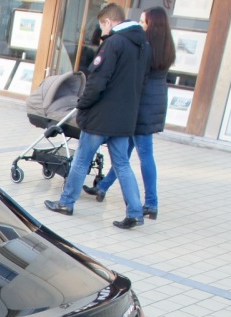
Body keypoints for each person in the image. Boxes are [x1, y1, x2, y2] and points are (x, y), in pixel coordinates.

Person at [43, 3, 149, 229]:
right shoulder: (142, 45)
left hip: (101, 116)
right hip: (125, 117)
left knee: (82, 160)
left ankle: (66, 202)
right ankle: (135, 211)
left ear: (109, 22)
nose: (101, 32)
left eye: (102, 26)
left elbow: (98, 80)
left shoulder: (114, 43)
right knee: (122, 164)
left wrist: (83, 104)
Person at [83, 6, 175, 220]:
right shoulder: (166, 46)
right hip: (156, 100)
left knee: (143, 153)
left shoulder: (146, 45)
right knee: (124, 152)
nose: (140, 25)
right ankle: (103, 186)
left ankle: (151, 203)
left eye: (144, 21)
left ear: (153, 25)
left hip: (142, 102)